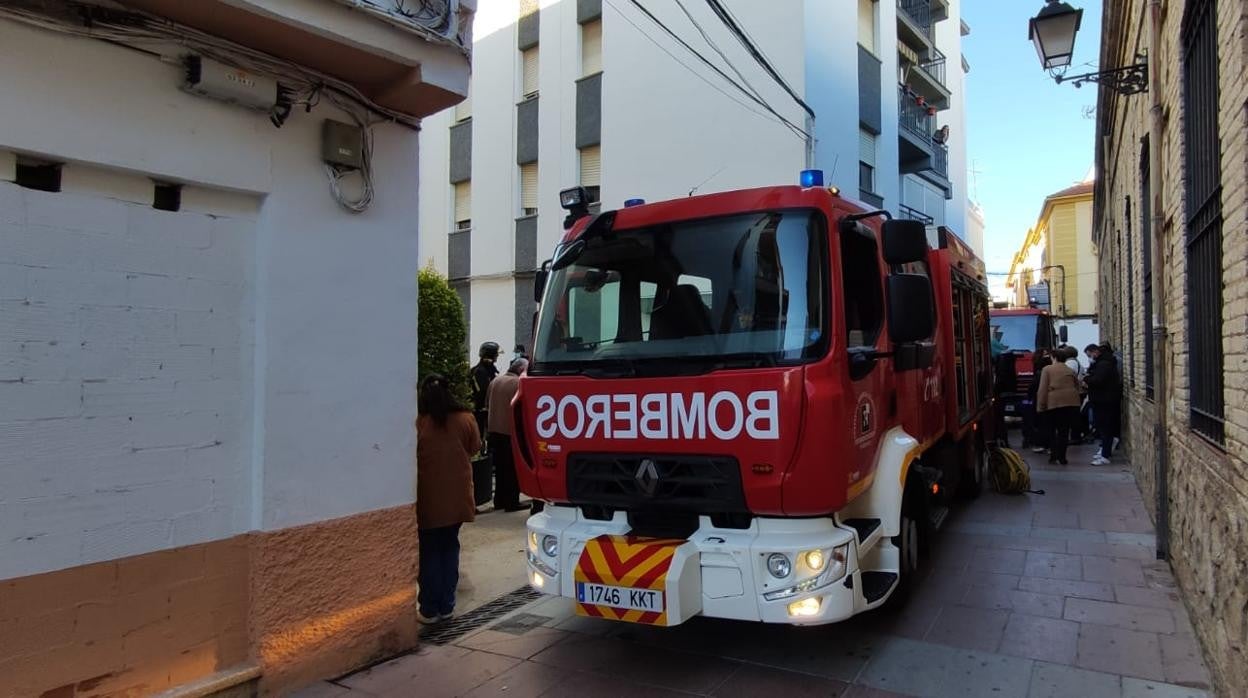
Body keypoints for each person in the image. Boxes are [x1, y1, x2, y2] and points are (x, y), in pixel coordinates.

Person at [416, 374, 481, 623]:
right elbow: (475, 447)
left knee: (430, 551)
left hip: (428, 499)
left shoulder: (419, 422)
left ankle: (430, 608)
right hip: (457, 498)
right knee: (450, 547)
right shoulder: (465, 418)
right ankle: (447, 605)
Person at [487, 357, 529, 512]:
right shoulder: (518, 383)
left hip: (493, 431)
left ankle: (499, 501)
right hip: (509, 433)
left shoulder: (495, 381)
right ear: (520, 370)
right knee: (512, 469)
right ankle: (512, 502)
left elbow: (487, 403)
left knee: (500, 469)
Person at [1037, 347, 1082, 465]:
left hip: (1053, 403)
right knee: (1064, 431)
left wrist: (1041, 405)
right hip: (1070, 403)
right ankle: (1062, 457)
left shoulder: (1047, 369)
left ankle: (1053, 456)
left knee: (1051, 431)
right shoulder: (1069, 370)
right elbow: (1078, 386)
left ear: (1054, 357)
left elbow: (1042, 389)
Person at [1084, 343, 1122, 465]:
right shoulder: (1104, 363)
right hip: (1104, 399)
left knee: (1105, 428)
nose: (1090, 358)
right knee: (1104, 427)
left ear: (1095, 352)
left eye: (1090, 355)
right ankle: (1105, 452)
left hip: (1104, 400)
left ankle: (1105, 455)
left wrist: (1086, 379)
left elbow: (1098, 380)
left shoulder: (1104, 364)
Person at [471, 342, 501, 449]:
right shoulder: (479, 372)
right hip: (481, 412)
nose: (497, 358)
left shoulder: (490, 370)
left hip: (488, 412)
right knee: (480, 437)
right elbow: (482, 392)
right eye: (496, 355)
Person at [1025, 349, 1053, 452]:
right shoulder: (1050, 370)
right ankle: (1050, 445)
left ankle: (1043, 444)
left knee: (1041, 423)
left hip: (1041, 400)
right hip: (1051, 400)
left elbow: (1033, 387)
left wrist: (1029, 397)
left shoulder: (1039, 373)